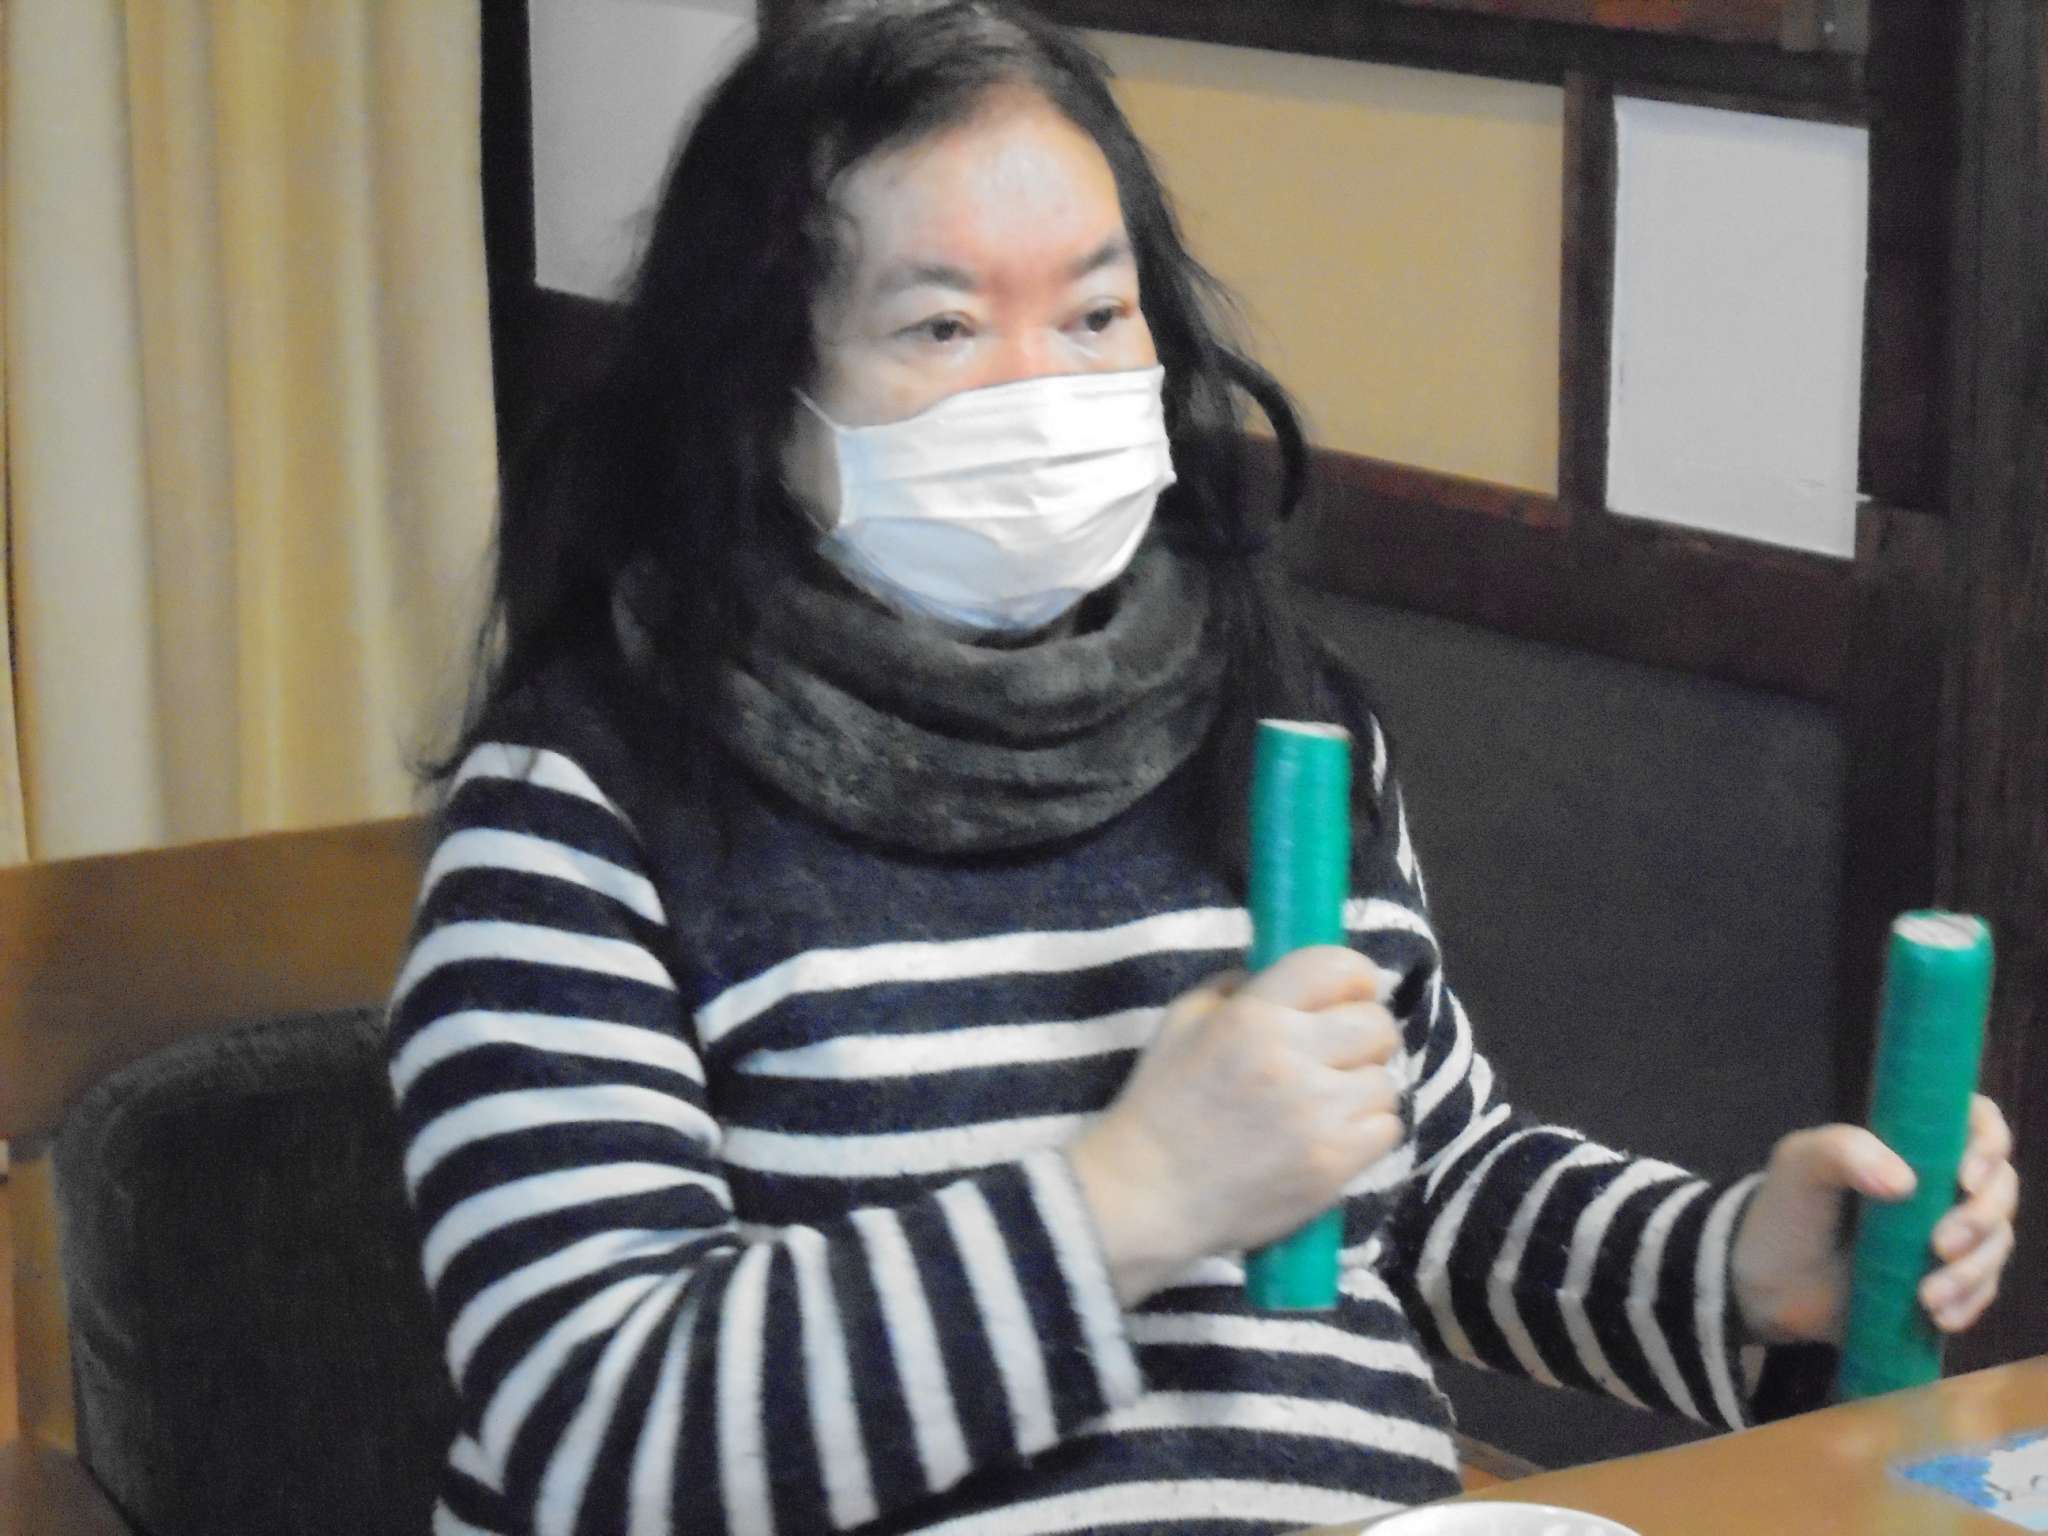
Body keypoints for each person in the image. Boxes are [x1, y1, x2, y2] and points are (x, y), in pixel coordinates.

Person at [386, 4, 2020, 1534]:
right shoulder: (580, 809)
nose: (1043, 391)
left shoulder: (1273, 717)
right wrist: (1135, 1198)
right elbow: (590, 1419)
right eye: (943, 325)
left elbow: (1422, 1186)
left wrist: (1737, 1272)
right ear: (757, 394)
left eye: (1096, 315)